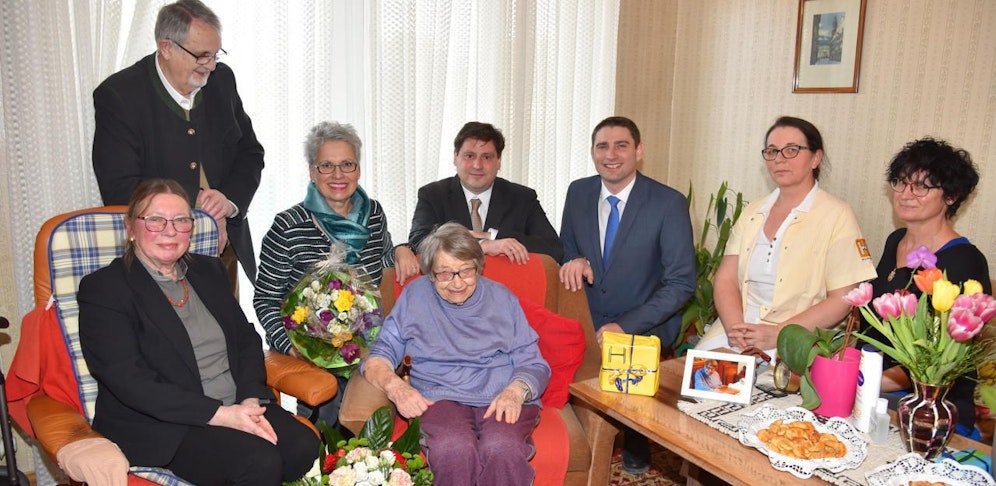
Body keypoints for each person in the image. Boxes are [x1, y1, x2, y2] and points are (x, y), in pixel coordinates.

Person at [77, 179, 317, 485]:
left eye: (181, 221)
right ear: (130, 228)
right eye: (155, 220)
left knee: (301, 446)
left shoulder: (208, 271)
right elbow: (129, 380)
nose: (170, 230)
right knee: (258, 462)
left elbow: (245, 340)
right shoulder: (105, 288)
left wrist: (249, 400)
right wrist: (221, 415)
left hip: (235, 403)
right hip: (164, 423)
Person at [361, 222, 551, 486]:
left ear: (478, 266)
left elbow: (533, 362)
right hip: (439, 395)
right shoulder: (415, 296)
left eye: (465, 271)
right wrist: (395, 387)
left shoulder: (502, 298)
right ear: (430, 274)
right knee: (453, 449)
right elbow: (381, 352)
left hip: (500, 394)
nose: (458, 283)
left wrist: (516, 391)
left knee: (502, 448)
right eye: (446, 274)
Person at [92, 0, 264, 290]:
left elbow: (250, 152)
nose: (210, 65)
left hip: (222, 246)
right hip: (157, 251)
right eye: (201, 56)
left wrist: (228, 202)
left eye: (215, 55)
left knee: (224, 331)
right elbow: (119, 186)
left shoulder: (222, 80)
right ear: (167, 48)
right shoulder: (119, 96)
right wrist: (193, 198)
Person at [254, 121, 418, 425]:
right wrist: (292, 346)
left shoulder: (374, 213)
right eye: (327, 165)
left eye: (347, 164)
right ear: (312, 171)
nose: (338, 175)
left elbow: (382, 260)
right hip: (316, 353)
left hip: (371, 345)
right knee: (328, 425)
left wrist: (400, 249)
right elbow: (266, 298)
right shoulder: (288, 226)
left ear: (358, 169)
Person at [558, 116, 696, 476]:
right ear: (593, 153)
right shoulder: (578, 192)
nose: (611, 154)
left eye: (621, 145)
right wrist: (573, 258)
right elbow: (567, 244)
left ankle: (636, 438)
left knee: (630, 406)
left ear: (639, 150)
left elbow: (681, 283)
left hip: (643, 323)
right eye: (602, 146)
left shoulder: (668, 203)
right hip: (587, 315)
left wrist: (626, 324)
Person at [695, 116, 876, 358]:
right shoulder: (753, 212)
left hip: (800, 336)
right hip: (738, 329)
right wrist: (736, 329)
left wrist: (780, 333)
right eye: (772, 151)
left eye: (792, 150)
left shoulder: (837, 215)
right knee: (697, 380)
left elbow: (842, 299)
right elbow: (726, 279)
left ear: (815, 158)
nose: (779, 159)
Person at [862, 137, 989, 438]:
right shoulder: (896, 241)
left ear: (951, 196)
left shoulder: (964, 261)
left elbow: (947, 361)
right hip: (874, 389)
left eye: (921, 186)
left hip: (932, 408)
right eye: (901, 182)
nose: (906, 194)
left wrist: (862, 379)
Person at [408, 121, 564, 263]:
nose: (477, 165)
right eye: (469, 156)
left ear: (499, 161)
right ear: (455, 157)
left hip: (509, 289)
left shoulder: (522, 198)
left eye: (487, 157)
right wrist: (483, 246)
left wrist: (492, 235)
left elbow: (553, 249)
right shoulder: (433, 195)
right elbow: (419, 242)